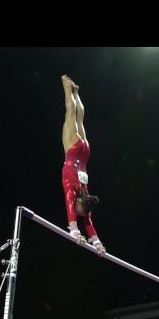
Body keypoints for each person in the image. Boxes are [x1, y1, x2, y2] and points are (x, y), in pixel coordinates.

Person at [60, 75, 105, 255]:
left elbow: (88, 223)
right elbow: (70, 206)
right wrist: (74, 230)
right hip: (73, 149)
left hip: (85, 151)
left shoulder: (85, 196)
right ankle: (66, 85)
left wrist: (98, 244)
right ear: (81, 205)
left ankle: (76, 92)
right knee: (70, 113)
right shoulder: (73, 191)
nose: (79, 215)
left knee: (80, 120)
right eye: (80, 213)